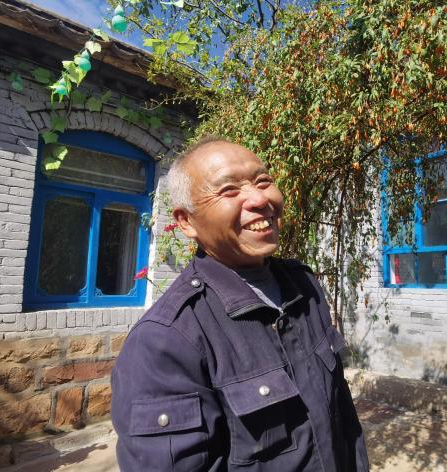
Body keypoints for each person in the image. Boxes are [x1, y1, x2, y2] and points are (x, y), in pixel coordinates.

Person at [111, 137, 369, 471]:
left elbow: (344, 423)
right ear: (186, 221)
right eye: (229, 190)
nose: (261, 199)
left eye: (263, 182)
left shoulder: (305, 287)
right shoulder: (168, 339)